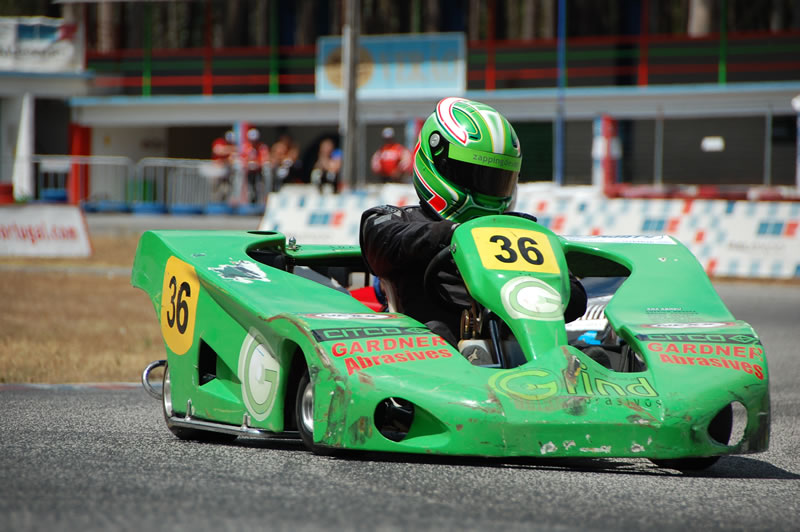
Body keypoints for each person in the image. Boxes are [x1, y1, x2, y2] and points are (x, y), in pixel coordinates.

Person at [360, 97, 587, 347]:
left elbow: (574, 300)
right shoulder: (395, 221)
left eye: (497, 178)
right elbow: (382, 244)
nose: (487, 189)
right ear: (439, 161)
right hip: (427, 358)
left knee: (592, 350)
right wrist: (456, 234)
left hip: (513, 349)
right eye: (476, 176)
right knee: (436, 335)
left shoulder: (515, 233)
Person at [243, 127, 270, 203]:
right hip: (249, 172)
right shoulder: (246, 147)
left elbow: (265, 158)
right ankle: (250, 202)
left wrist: (257, 164)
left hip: (259, 171)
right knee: (250, 188)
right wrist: (248, 164)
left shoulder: (261, 147)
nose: (253, 142)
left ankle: (262, 201)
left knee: (259, 186)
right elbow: (243, 158)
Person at [210, 129, 236, 202]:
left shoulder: (232, 145)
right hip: (216, 171)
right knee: (215, 189)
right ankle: (215, 204)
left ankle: (224, 205)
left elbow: (233, 158)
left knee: (226, 190)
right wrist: (231, 149)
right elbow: (218, 151)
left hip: (226, 172)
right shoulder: (219, 142)